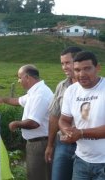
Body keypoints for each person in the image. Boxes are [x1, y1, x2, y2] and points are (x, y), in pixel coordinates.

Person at [0, 64, 53, 180]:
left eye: (20, 78)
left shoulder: (40, 94)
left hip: (40, 144)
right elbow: (18, 101)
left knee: (38, 176)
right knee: (34, 175)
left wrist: (15, 124)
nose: (19, 81)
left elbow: (34, 123)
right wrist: (3, 99)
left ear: (27, 77)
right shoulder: (34, 92)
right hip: (36, 143)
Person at [59, 51, 105, 180]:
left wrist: (81, 133)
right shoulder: (71, 91)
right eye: (77, 70)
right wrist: (68, 132)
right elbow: (64, 119)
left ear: (98, 67)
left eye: (87, 68)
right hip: (81, 160)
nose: (82, 74)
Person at [44, 46, 82, 180]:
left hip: (87, 143)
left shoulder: (96, 86)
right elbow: (54, 117)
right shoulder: (62, 86)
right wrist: (50, 145)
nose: (64, 67)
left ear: (78, 61)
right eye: (62, 63)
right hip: (63, 143)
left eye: (67, 63)